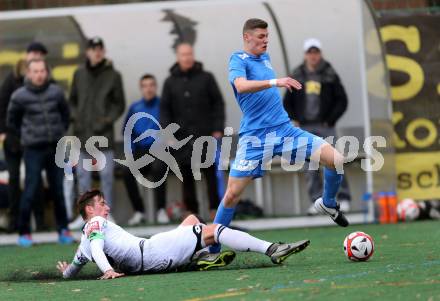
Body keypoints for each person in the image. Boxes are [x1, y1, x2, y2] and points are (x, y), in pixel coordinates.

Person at [208, 19, 349, 255]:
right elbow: (241, 86)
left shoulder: (265, 57)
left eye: (267, 36)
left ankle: (328, 203)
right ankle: (212, 248)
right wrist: (276, 81)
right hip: (255, 139)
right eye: (261, 36)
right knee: (232, 195)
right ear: (247, 38)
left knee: (336, 160)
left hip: (285, 132)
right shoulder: (237, 60)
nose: (266, 40)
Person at [56, 189, 309, 279]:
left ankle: (201, 257)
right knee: (214, 230)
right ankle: (272, 250)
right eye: (102, 204)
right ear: (90, 210)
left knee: (191, 220)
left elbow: (74, 269)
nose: (106, 208)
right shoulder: (95, 224)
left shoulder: (83, 242)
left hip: (152, 255)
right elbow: (99, 250)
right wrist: (107, 270)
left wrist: (66, 272)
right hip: (153, 252)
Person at [7, 58, 74, 247]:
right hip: (33, 149)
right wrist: (26, 137)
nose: (39, 75)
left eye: (42, 71)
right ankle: (24, 232)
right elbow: (12, 122)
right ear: (28, 73)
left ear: (47, 72)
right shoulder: (19, 96)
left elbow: (66, 115)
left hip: (54, 147)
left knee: (58, 190)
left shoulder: (56, 92)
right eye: (35, 71)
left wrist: (59, 131)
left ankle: (63, 229)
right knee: (30, 189)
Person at [283, 38, 352, 215]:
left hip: (325, 126)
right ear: (305, 55)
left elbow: (342, 100)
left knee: (336, 161)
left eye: (316, 52)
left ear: (320, 54)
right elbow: (287, 101)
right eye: (310, 53)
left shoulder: (329, 73)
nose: (313, 56)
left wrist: (330, 119)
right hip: (304, 127)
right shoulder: (297, 74)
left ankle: (342, 198)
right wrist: (294, 118)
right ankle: (317, 201)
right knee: (310, 166)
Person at [160, 43, 225, 218]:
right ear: (177, 56)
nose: (187, 58)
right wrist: (168, 134)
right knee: (186, 174)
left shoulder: (206, 78)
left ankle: (214, 209)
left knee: (210, 172)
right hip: (181, 138)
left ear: (193, 55)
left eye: (189, 54)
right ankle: (192, 213)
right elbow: (165, 110)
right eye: (183, 54)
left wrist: (218, 129)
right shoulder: (170, 82)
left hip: (205, 135)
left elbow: (218, 103)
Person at [68, 37, 125, 230]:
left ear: (104, 51)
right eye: (93, 48)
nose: (97, 52)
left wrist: (107, 120)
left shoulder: (113, 75)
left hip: (103, 136)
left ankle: (107, 215)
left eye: (100, 48)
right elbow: (72, 101)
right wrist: (77, 118)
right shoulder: (79, 74)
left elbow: (120, 103)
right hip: (83, 135)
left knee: (106, 177)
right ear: (88, 52)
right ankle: (85, 216)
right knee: (83, 178)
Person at [0, 42, 49, 232]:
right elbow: (1, 105)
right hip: (13, 140)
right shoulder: (12, 78)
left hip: (34, 140)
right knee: (13, 180)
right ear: (27, 55)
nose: (36, 56)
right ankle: (15, 222)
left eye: (40, 53)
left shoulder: (46, 81)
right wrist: (3, 131)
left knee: (35, 179)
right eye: (34, 53)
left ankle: (40, 221)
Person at [121, 74, 169, 225]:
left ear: (155, 87)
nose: (149, 88)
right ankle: (139, 211)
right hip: (141, 151)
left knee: (159, 167)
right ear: (141, 89)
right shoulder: (135, 108)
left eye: (151, 85)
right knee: (127, 171)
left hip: (160, 149)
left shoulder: (164, 105)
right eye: (145, 86)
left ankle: (161, 210)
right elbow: (127, 132)